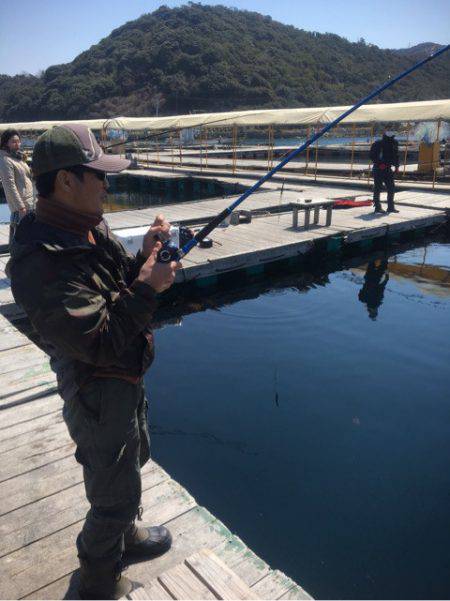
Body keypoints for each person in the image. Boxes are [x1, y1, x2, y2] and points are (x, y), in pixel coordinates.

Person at [7, 124, 180, 599]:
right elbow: (99, 339)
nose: (107, 184)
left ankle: (126, 534)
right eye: (98, 175)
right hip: (96, 384)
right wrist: (148, 287)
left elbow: (109, 289)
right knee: (112, 492)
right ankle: (98, 580)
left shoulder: (84, 224)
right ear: (65, 181)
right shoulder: (38, 261)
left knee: (131, 455)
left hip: (122, 375)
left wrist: (141, 260)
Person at [0, 129, 35, 244]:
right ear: (6, 143)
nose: (17, 144)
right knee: (19, 240)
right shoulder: (5, 160)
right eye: (13, 142)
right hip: (21, 206)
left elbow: (28, 177)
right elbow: (10, 185)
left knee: (29, 238)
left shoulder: (18, 158)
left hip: (29, 203)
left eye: (18, 141)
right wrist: (21, 207)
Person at [369, 130, 400, 214]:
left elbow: (396, 155)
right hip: (378, 169)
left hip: (388, 169)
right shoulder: (378, 143)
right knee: (378, 188)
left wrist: (397, 166)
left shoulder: (394, 143)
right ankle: (377, 207)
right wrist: (379, 163)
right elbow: (372, 156)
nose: (392, 137)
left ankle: (390, 207)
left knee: (391, 188)